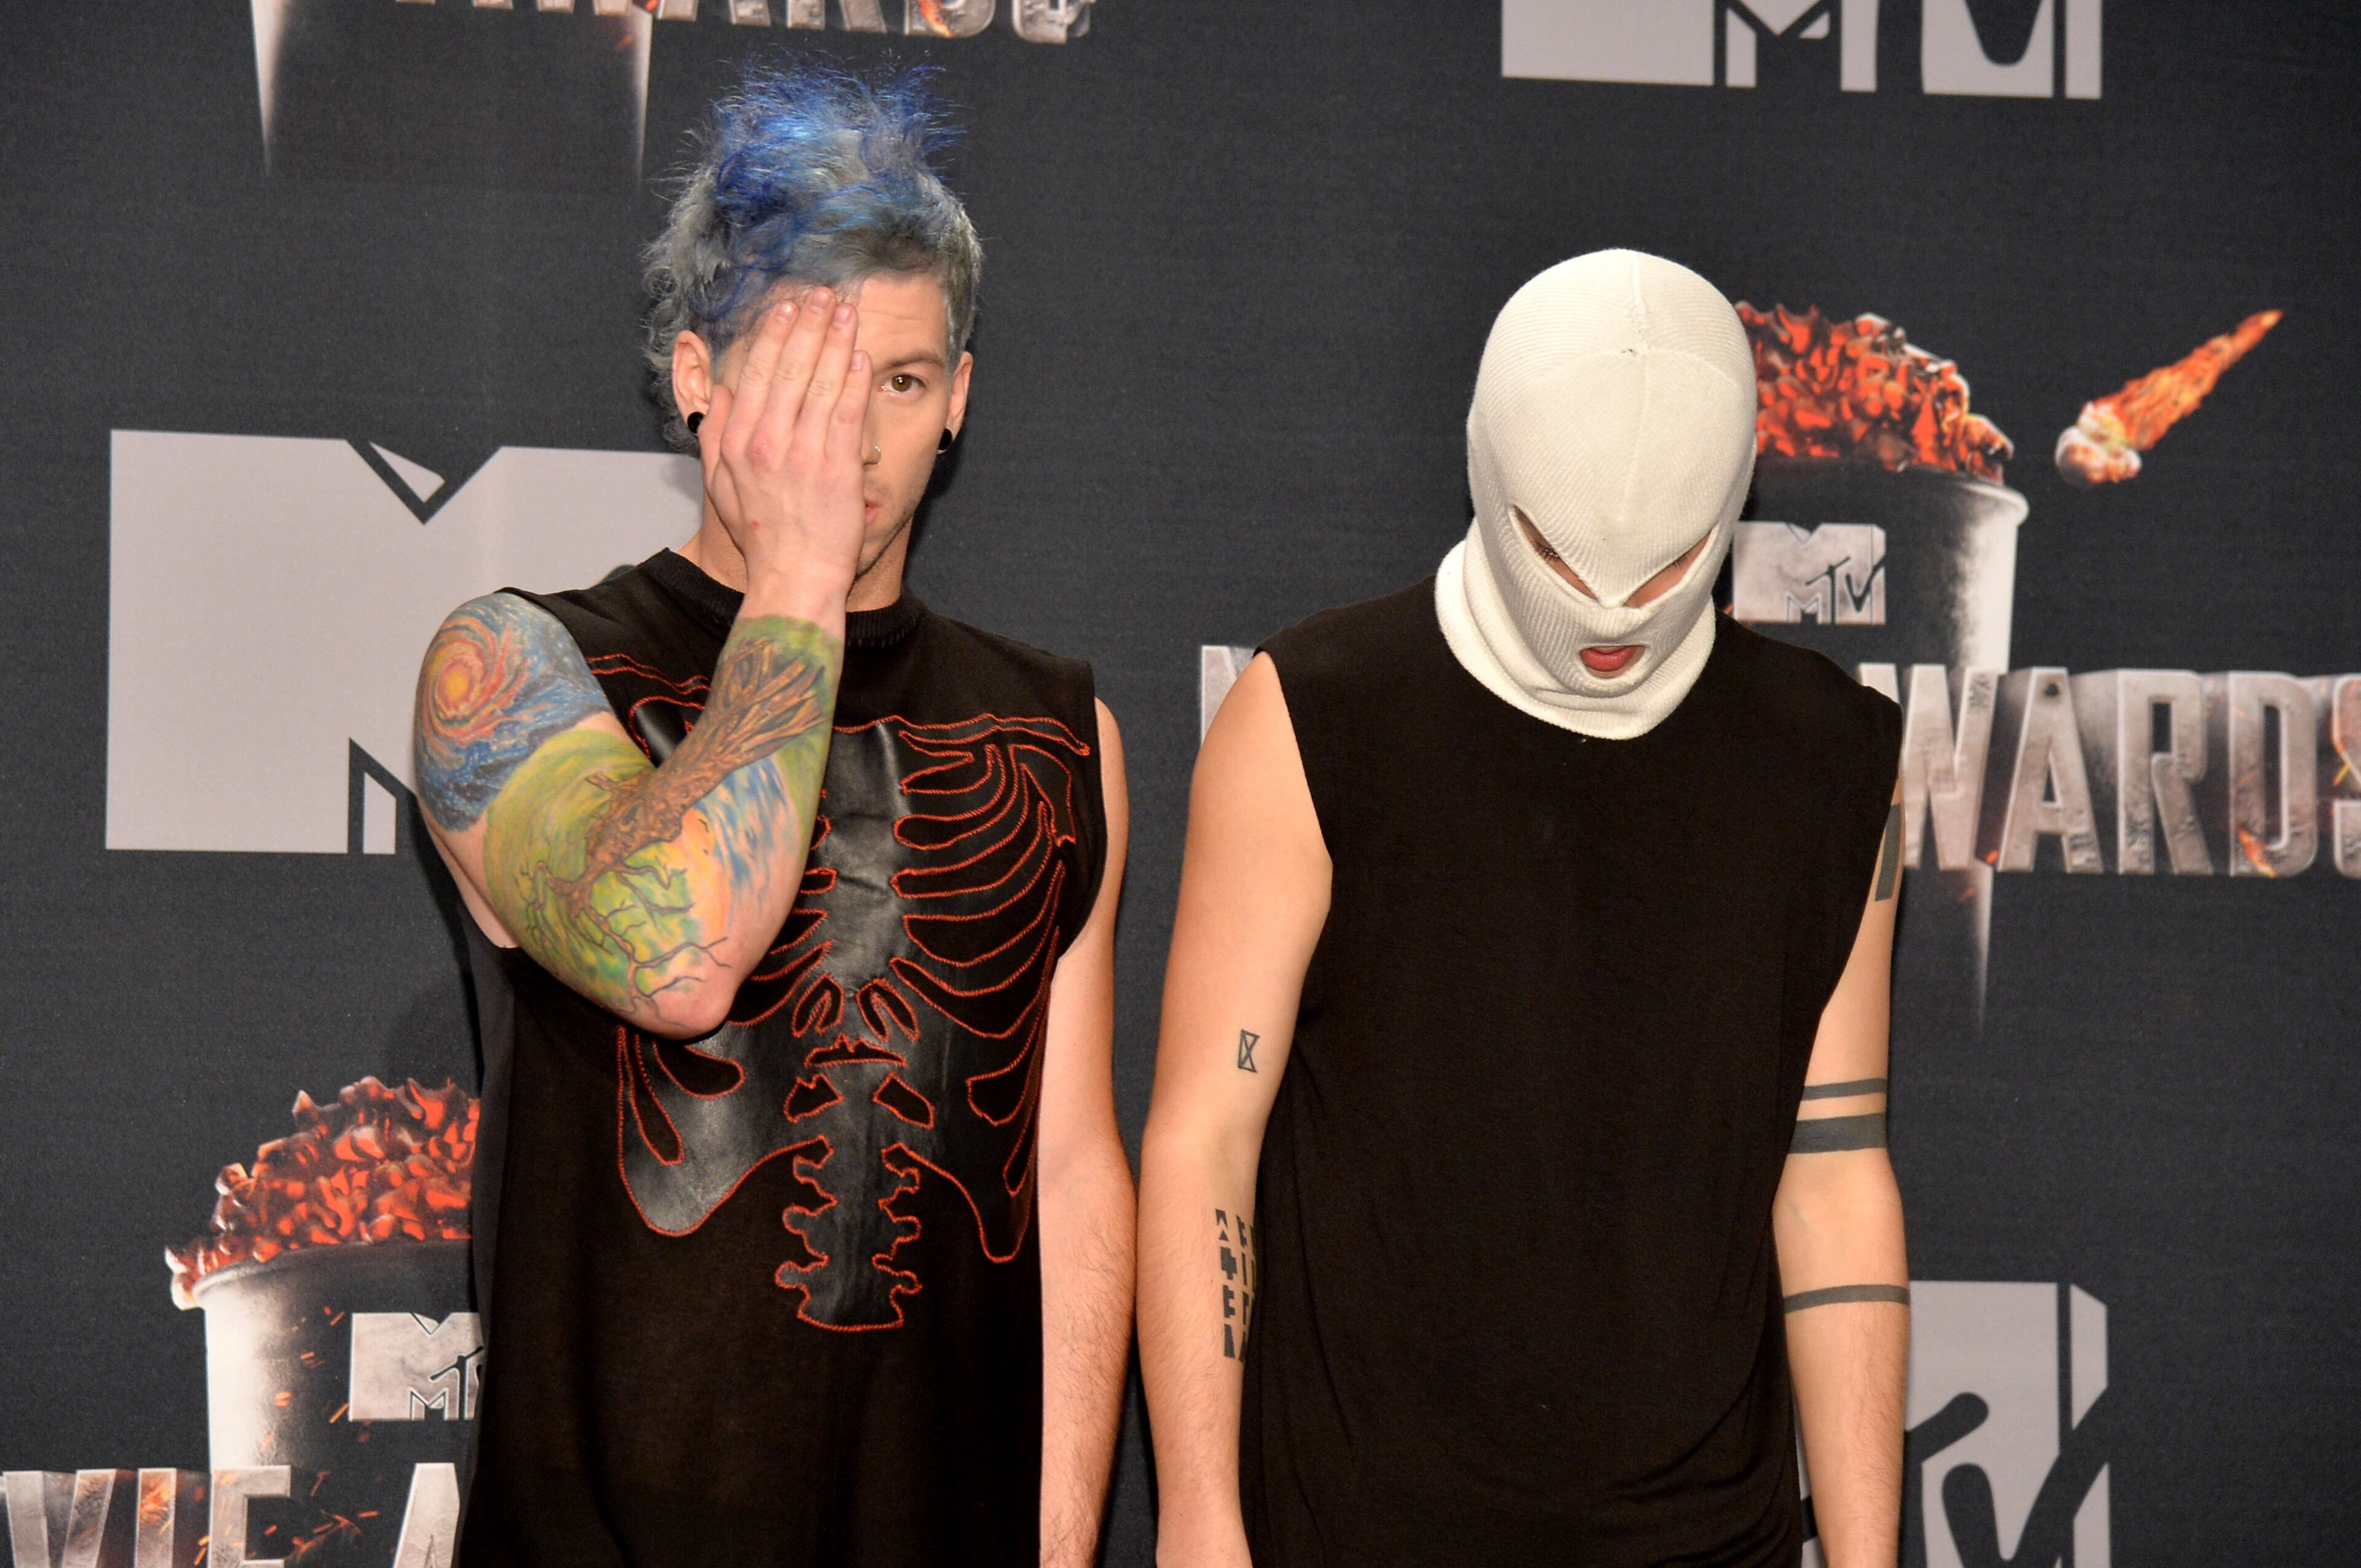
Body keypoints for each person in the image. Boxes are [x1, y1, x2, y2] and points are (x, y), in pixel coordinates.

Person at [414, 64, 1134, 1568]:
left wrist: (1061, 1547)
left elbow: (1064, 1173)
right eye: (807, 378)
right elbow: (680, 959)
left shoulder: (1064, 729)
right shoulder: (517, 670)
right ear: (695, 376)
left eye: (902, 381)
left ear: (961, 402)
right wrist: (801, 581)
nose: (851, 444)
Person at [1137, 250, 1909, 1566]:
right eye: (1560, 552)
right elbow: (1206, 1137)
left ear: (1732, 509)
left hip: (1708, 1534)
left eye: (1665, 568)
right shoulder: (1316, 714)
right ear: (1488, 473)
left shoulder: (1833, 760)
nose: (1609, 613)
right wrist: (1202, 1520)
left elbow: (1832, 1173)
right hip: (1356, 1529)